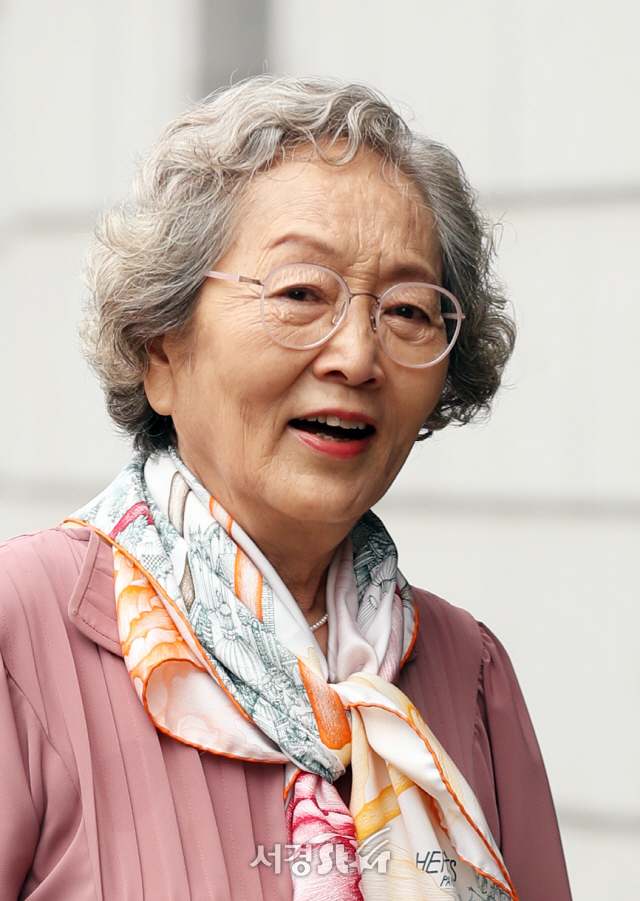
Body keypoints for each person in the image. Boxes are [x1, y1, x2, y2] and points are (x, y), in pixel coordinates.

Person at [0, 76, 572, 901]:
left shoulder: (470, 672)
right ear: (160, 347)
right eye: (301, 292)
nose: (357, 356)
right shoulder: (22, 635)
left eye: (409, 310)